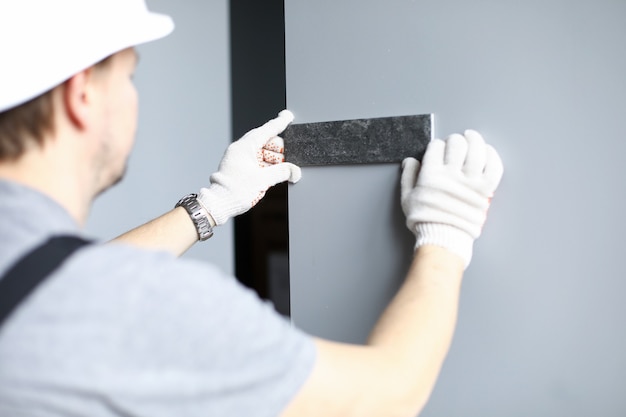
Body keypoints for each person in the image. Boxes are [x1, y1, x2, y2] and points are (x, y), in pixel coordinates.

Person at [0, 1, 504, 416]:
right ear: (81, 93)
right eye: (129, 77)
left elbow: (57, 280)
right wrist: (445, 234)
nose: (134, 97)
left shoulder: (55, 287)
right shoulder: (146, 311)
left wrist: (211, 204)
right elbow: (388, 395)